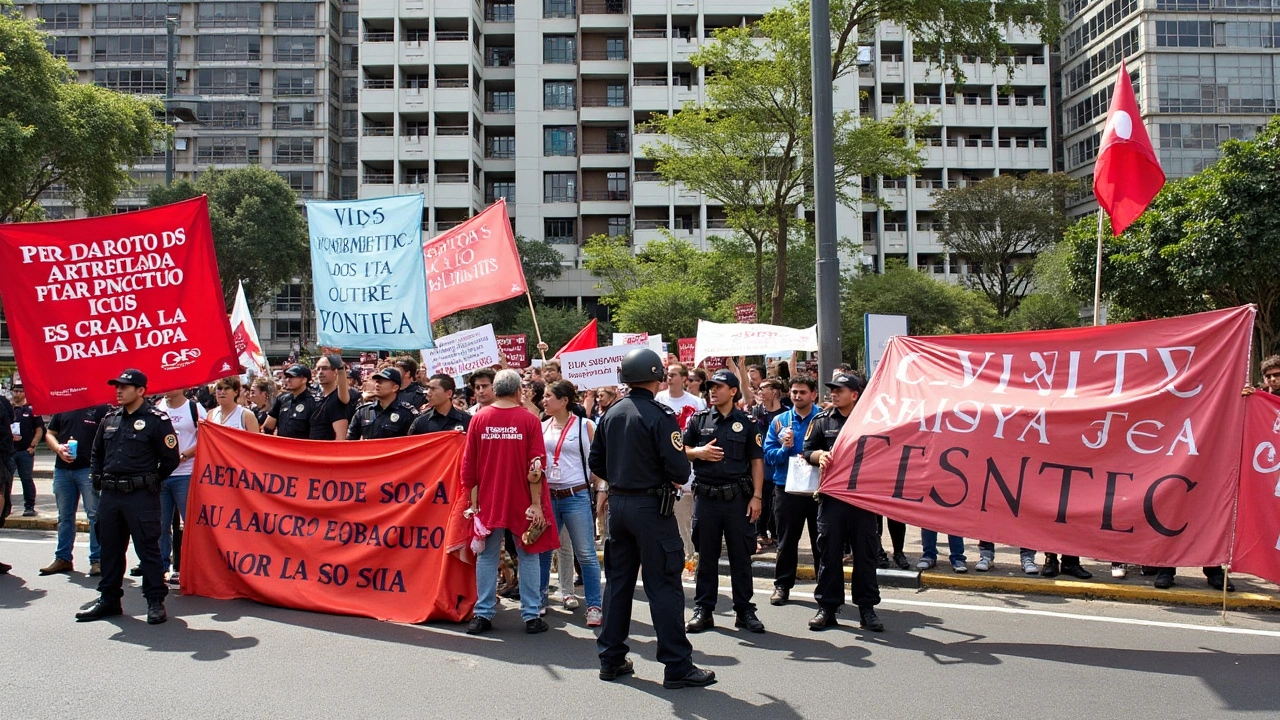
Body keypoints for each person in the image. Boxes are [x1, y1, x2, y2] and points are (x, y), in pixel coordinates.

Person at [590, 348, 716, 689]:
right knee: (664, 587)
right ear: (656, 375)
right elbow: (679, 468)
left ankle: (611, 658)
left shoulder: (612, 412)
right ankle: (677, 665)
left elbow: (596, 462)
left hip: (619, 505)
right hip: (652, 508)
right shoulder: (659, 415)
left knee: (617, 584)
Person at [461, 369, 559, 635]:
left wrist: (474, 503)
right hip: (522, 499)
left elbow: (468, 468)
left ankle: (482, 614)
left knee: (487, 556)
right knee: (528, 555)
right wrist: (537, 504)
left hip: (489, 499)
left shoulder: (479, 419)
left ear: (495, 389)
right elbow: (536, 466)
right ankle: (531, 616)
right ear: (519, 392)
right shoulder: (529, 420)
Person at [78, 369, 180, 624]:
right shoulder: (110, 418)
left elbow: (169, 459)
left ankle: (155, 601)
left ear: (141, 391)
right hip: (111, 495)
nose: (119, 390)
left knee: (148, 549)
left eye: (125, 386)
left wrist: (150, 480)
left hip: (141, 495)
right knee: (110, 549)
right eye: (117, 386)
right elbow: (97, 453)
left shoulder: (157, 420)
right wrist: (98, 477)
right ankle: (109, 599)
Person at [683, 369, 766, 634]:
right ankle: (704, 610)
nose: (712, 391)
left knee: (741, 557)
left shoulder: (747, 421)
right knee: (706, 557)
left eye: (719, 386)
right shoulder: (698, 420)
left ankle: (744, 611)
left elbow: (756, 461)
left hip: (738, 499)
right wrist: (699, 452)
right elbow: (681, 450)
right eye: (710, 387)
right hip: (707, 498)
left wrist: (757, 496)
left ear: (733, 391)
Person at [806, 372, 884, 632]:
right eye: (832, 390)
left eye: (840, 390)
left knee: (865, 554)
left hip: (862, 499)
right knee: (829, 554)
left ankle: (867, 609)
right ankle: (827, 608)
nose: (834, 394)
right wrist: (820, 455)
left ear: (854, 394)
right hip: (832, 499)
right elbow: (807, 451)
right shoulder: (821, 421)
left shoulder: (871, 421)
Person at [537, 380, 604, 627]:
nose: (544, 400)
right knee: (544, 550)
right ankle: (540, 598)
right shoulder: (542, 427)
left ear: (564, 401)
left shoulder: (584, 426)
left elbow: (596, 464)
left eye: (548, 396)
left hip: (575, 496)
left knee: (585, 553)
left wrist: (600, 491)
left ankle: (594, 605)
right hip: (548, 497)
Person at [762, 375, 821, 606]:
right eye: (794, 392)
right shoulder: (780, 421)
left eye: (803, 392)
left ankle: (825, 588)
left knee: (822, 542)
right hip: (786, 489)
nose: (797, 396)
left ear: (813, 394)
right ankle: (782, 586)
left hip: (817, 491)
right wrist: (785, 448)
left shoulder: (823, 419)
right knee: (786, 541)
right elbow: (769, 456)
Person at [40, 402, 111, 577]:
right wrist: (58, 448)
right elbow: (50, 433)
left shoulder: (100, 408)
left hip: (89, 469)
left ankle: (97, 560)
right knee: (64, 516)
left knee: (94, 515)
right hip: (63, 470)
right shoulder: (64, 406)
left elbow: (108, 438)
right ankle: (63, 558)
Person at [155, 387, 206, 586]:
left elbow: (205, 436)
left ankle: (191, 569)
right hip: (162, 476)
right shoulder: (159, 407)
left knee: (190, 524)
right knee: (160, 525)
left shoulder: (194, 408)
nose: (167, 388)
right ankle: (160, 569)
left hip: (186, 474)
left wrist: (184, 455)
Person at [748, 377, 787, 551]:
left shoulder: (786, 414)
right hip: (760, 463)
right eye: (760, 388)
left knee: (776, 503)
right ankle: (760, 533)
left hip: (779, 464)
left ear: (775, 392)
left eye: (764, 388)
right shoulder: (756, 412)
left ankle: (776, 533)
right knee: (760, 500)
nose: (760, 392)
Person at [348, 368, 419, 440]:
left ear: (395, 387)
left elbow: (414, 443)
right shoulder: (364, 411)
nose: (377, 385)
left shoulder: (406, 414)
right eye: (377, 382)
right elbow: (350, 442)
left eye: (381, 382)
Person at [9, 383, 44, 517]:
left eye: (20, 391)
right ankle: (6, 506)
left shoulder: (30, 409)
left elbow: (39, 429)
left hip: (25, 451)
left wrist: (33, 445)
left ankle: (29, 506)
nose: (17, 394)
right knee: (6, 480)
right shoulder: (8, 408)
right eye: (15, 391)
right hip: (9, 451)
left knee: (26, 479)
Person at [263, 365, 319, 439]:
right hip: (281, 447)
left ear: (303, 380)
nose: (288, 380)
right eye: (287, 377)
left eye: (292, 377)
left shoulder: (313, 403)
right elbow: (268, 427)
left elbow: (316, 435)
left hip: (301, 448)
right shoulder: (282, 399)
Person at [310, 354, 351, 440]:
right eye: (318, 369)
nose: (320, 372)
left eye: (325, 368)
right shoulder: (315, 398)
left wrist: (340, 368)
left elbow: (340, 439)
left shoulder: (339, 397)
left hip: (329, 451)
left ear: (335, 372)